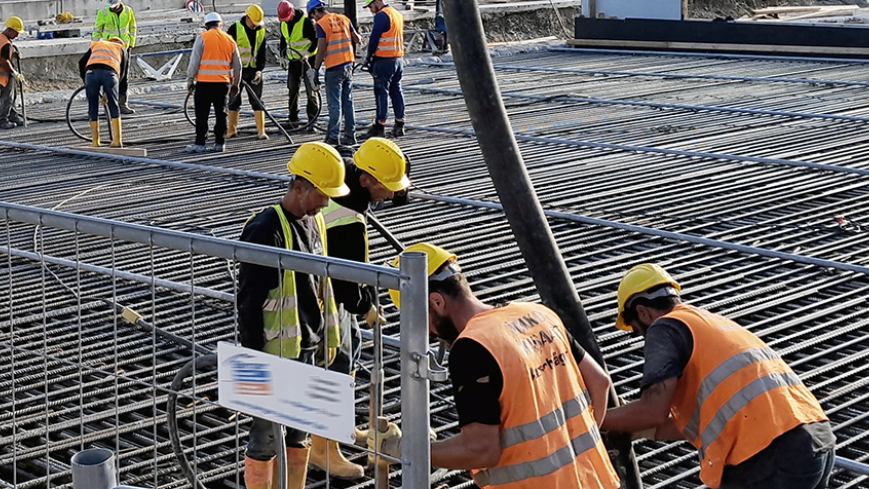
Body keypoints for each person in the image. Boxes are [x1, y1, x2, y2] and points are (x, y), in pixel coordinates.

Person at [378, 243, 622, 489]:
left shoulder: (472, 347)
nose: (430, 334)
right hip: (594, 480)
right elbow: (600, 382)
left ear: (437, 302)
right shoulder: (538, 314)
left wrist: (407, 449)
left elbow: (482, 451)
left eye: (423, 321)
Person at [602, 264, 835, 489]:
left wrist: (591, 421)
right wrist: (635, 427)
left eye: (635, 328)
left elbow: (651, 411)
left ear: (642, 312)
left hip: (770, 456)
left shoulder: (665, 328)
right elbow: (703, 424)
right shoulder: (708, 324)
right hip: (817, 442)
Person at [238, 141, 350, 489]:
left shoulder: (315, 224)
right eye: (321, 194)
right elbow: (250, 301)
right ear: (299, 187)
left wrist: (330, 339)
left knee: (297, 438)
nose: (326, 202)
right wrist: (252, 358)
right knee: (265, 441)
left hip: (305, 348)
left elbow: (322, 288)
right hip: (272, 353)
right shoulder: (266, 229)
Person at [309, 137, 411, 479]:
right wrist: (365, 306)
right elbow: (346, 279)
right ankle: (323, 449)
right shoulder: (348, 218)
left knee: (345, 362)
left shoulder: (340, 187)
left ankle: (340, 431)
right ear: (365, 180)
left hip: (321, 293)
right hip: (329, 303)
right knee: (336, 366)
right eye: (387, 187)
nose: (392, 194)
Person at [185, 12, 241, 154]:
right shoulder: (230, 40)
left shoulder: (202, 38)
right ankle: (219, 143)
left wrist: (190, 80)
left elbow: (194, 63)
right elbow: (237, 66)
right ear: (220, 25)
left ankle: (200, 144)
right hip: (222, 84)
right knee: (221, 114)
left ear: (206, 26)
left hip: (204, 84)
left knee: (201, 115)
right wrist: (236, 84)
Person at [309, 0, 360, 146]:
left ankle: (333, 137)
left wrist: (316, 69)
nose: (314, 19)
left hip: (333, 68)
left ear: (316, 12)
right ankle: (351, 136)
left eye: (313, 16)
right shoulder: (344, 18)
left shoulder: (321, 24)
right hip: (348, 65)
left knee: (335, 105)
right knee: (348, 102)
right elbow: (357, 39)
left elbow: (321, 49)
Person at [362, 0, 405, 139]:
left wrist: (368, 57)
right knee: (396, 90)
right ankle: (400, 123)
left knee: (382, 92)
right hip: (398, 60)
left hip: (384, 61)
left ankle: (380, 125)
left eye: (370, 6)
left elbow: (374, 38)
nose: (370, 10)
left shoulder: (381, 15)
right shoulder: (396, 14)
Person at [226, 5, 268, 140]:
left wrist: (259, 71)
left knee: (257, 101)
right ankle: (231, 130)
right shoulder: (235, 29)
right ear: (247, 17)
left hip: (253, 71)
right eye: (253, 23)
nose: (255, 26)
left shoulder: (261, 31)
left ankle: (261, 131)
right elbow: (227, 51)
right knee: (233, 100)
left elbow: (262, 53)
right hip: (237, 71)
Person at [78, 36, 128, 147]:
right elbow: (123, 73)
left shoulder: (98, 44)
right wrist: (111, 91)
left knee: (92, 107)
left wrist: (85, 81)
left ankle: (95, 142)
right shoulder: (121, 49)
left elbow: (81, 62)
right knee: (114, 107)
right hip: (110, 75)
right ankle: (117, 141)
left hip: (91, 74)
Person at [277, 0, 319, 127]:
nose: (285, 20)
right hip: (294, 62)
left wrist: (307, 53)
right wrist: (282, 56)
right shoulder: (283, 23)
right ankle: (293, 119)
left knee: (311, 92)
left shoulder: (307, 23)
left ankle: (312, 121)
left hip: (308, 62)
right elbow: (284, 39)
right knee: (292, 89)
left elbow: (316, 41)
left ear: (292, 12)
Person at [92, 0, 137, 114]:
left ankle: (122, 104)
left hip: (124, 49)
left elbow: (132, 28)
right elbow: (97, 31)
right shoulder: (103, 13)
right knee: (110, 78)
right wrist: (95, 48)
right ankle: (108, 105)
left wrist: (131, 44)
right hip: (110, 51)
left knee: (123, 77)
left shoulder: (128, 11)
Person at [0, 16, 25, 130]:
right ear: (10, 29)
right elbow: (5, 61)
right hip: (3, 74)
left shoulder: (1, 38)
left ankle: (13, 115)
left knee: (13, 95)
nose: (17, 35)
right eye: (16, 32)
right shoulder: (6, 43)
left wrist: (12, 53)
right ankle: (2, 120)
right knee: (7, 97)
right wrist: (15, 73)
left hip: (4, 74)